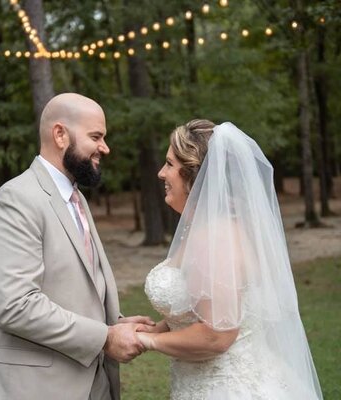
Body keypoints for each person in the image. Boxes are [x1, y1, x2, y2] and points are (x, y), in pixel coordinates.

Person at [0, 93, 154, 400]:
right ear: (60, 134)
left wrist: (115, 322)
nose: (104, 148)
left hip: (90, 383)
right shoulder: (16, 200)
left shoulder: (75, 198)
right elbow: (16, 306)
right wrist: (104, 337)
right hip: (32, 388)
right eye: (96, 137)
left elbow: (71, 286)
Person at [137, 120, 323, 399]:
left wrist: (147, 341)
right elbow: (205, 307)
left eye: (170, 164)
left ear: (193, 176)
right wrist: (158, 327)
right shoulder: (202, 229)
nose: (161, 173)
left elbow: (217, 335)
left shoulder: (216, 238)